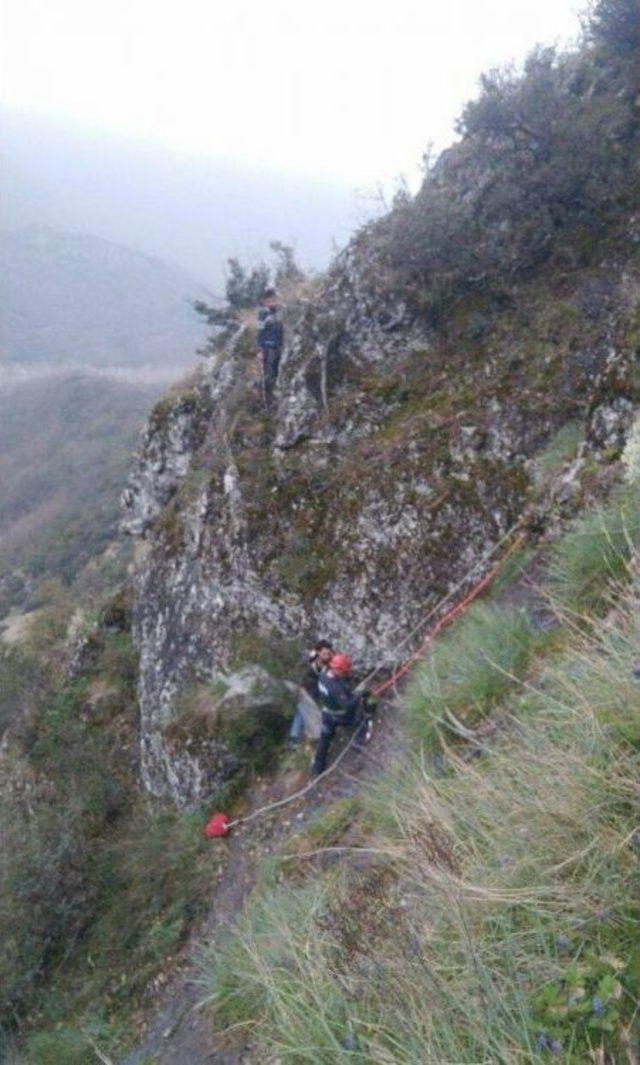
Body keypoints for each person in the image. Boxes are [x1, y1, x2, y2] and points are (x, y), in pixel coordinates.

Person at [312, 652, 376, 776]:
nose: (345, 674)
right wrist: (359, 694)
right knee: (360, 716)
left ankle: (317, 767)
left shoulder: (323, 675)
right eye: (343, 672)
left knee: (325, 738)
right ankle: (361, 737)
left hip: (327, 713)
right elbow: (348, 705)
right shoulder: (336, 687)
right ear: (336, 669)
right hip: (342, 716)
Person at [288, 640, 334, 748]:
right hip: (308, 689)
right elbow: (302, 676)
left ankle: (296, 737)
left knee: (305, 710)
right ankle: (296, 738)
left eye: (328, 653)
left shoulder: (330, 663)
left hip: (321, 690)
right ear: (318, 652)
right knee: (302, 708)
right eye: (324, 653)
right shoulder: (309, 662)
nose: (327, 656)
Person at [256, 288, 284, 404]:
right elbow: (260, 332)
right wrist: (260, 350)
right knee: (269, 373)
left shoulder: (279, 312)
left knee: (278, 371)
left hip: (279, 346)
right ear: (266, 301)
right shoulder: (263, 314)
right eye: (271, 300)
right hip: (268, 348)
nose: (273, 302)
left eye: (275, 300)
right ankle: (267, 399)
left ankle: (274, 397)